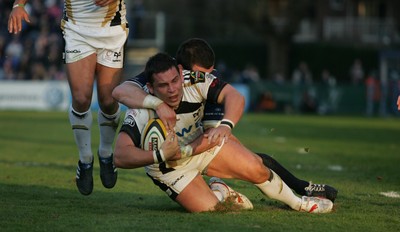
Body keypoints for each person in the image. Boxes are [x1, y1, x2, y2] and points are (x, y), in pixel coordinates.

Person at [112, 38, 338, 202]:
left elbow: (212, 135)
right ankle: (220, 188)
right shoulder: (161, 78)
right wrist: (158, 105)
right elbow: (120, 91)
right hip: (171, 158)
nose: (209, 77)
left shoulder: (203, 85)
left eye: (211, 72)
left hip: (193, 142)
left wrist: (223, 128)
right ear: (183, 71)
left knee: (245, 156)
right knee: (210, 203)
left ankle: (300, 187)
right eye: (203, 72)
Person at [8, 0, 129, 195]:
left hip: (112, 29)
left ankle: (106, 154)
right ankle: (85, 159)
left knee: (108, 100)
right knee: (81, 99)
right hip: (77, 29)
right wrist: (18, 5)